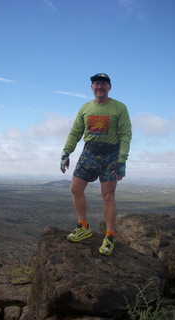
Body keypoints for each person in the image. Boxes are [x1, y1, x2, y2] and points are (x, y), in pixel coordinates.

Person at [60, 73, 132, 256]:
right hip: (89, 152)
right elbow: (76, 131)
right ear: (92, 87)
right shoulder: (85, 107)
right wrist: (66, 152)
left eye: (103, 84)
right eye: (96, 84)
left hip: (111, 155)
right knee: (75, 189)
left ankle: (109, 235)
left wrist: (122, 160)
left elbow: (125, 134)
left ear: (109, 87)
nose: (99, 87)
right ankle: (83, 226)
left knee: (108, 196)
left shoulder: (119, 108)